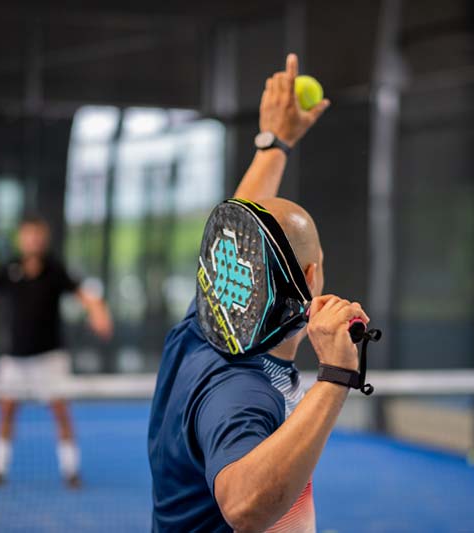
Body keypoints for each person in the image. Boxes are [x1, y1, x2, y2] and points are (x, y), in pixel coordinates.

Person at [148, 53, 369, 532]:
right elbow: (244, 505)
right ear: (312, 276)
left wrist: (275, 143)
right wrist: (334, 377)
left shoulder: (201, 329)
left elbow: (238, 235)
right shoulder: (242, 390)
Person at [0, 214, 113, 489]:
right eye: (28, 234)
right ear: (21, 238)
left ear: (43, 238)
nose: (33, 239)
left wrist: (98, 312)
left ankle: (71, 470)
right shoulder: (9, 268)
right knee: (6, 411)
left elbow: (85, 294)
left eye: (38, 234)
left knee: (61, 412)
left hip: (50, 358)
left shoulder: (55, 270)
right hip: (14, 358)